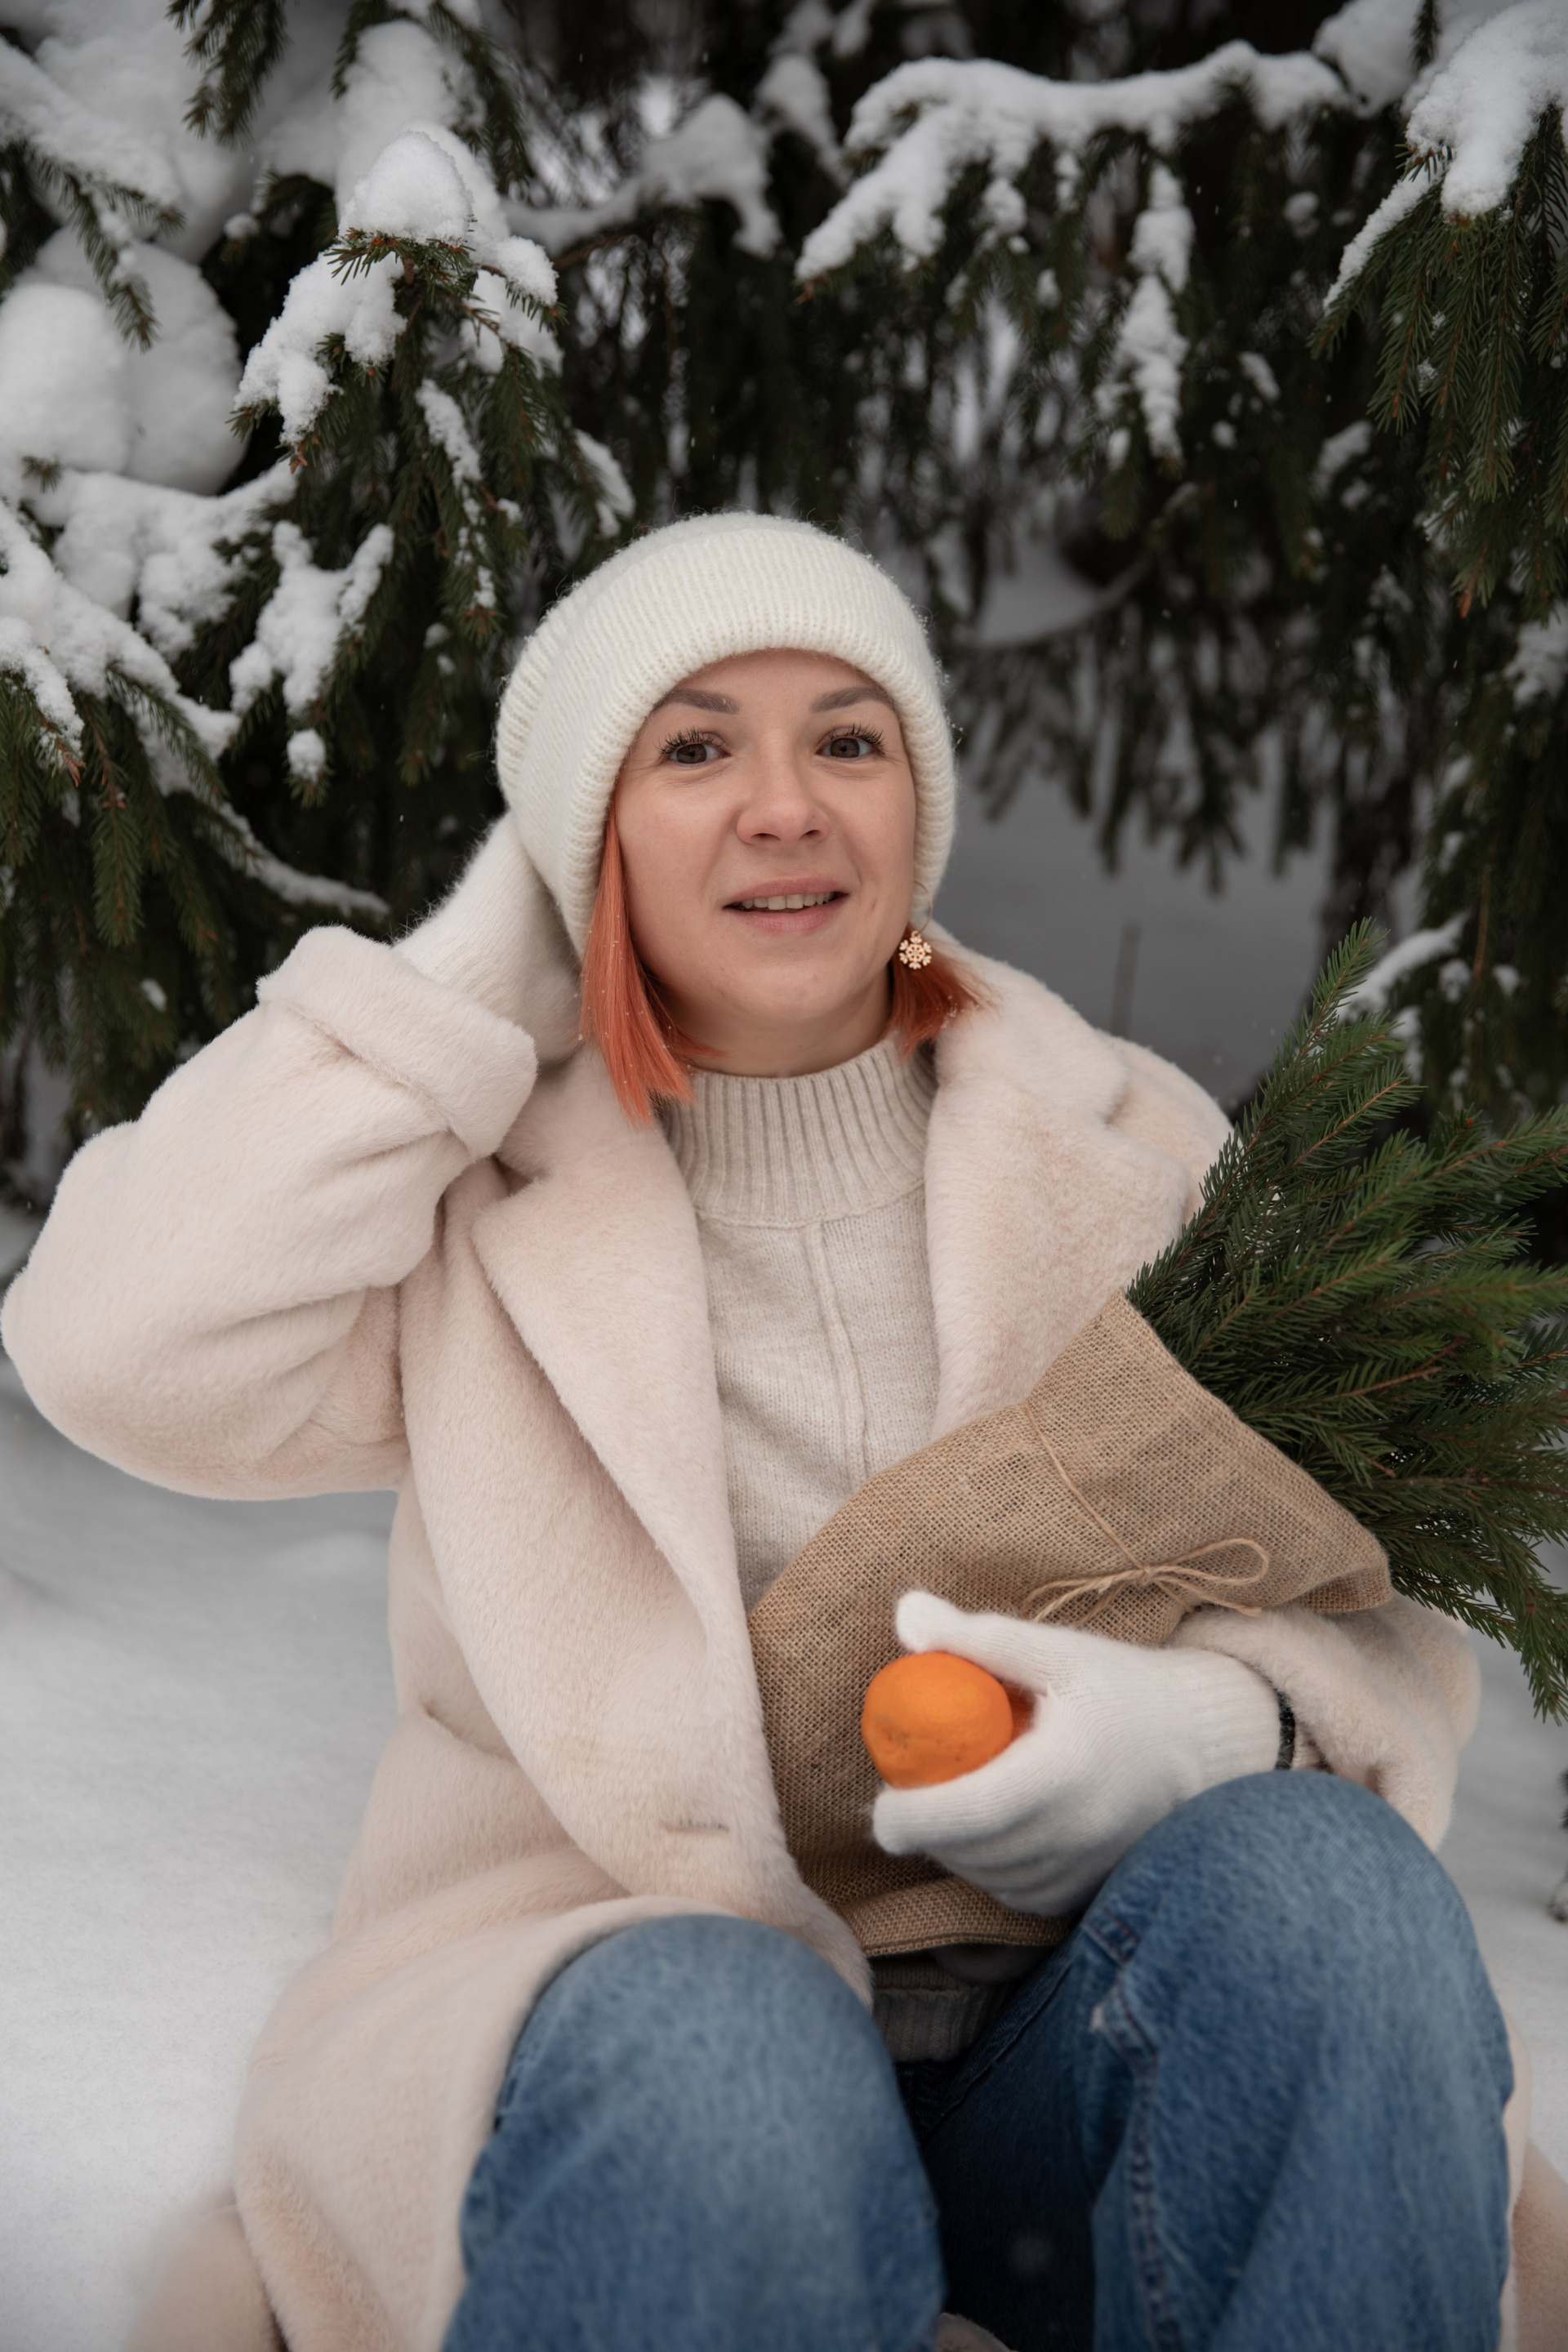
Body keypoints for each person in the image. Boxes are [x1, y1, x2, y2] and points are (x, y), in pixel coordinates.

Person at [5, 515, 1558, 2352]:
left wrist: (1216, 1731)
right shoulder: (457, 1199)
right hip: (653, 2016)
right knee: (737, 2055)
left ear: (918, 800)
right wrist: (472, 978)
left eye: (847, 739)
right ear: (585, 833)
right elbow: (115, 1348)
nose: (786, 808)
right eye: (690, 749)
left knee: (1332, 1897)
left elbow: (1366, 1597)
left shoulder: (1135, 1150)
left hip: (1095, 2041)